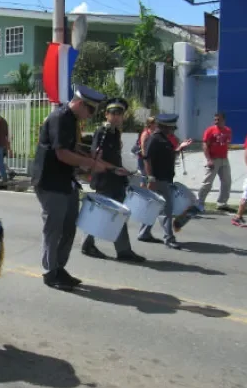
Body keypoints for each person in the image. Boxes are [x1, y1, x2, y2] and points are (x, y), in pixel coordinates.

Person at [32, 86, 115, 291]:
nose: (91, 115)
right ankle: (50, 272)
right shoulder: (60, 118)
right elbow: (62, 154)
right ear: (79, 103)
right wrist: (90, 164)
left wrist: (96, 161)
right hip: (50, 182)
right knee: (54, 228)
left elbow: (72, 148)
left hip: (65, 181)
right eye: (90, 109)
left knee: (69, 226)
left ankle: (59, 267)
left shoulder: (72, 120)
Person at [81, 98, 145, 262]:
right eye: (113, 113)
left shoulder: (115, 132)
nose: (116, 116)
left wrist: (122, 169)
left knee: (116, 215)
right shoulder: (103, 131)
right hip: (105, 179)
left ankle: (121, 250)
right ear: (106, 114)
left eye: (119, 113)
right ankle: (91, 245)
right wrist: (114, 169)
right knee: (105, 214)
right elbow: (96, 156)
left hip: (116, 179)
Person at [138, 114, 183, 249]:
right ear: (165, 127)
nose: (173, 131)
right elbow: (147, 159)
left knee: (154, 207)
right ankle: (169, 238)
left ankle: (144, 233)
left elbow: (167, 156)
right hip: (158, 179)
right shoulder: (154, 139)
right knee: (166, 209)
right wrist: (151, 178)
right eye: (172, 128)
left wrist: (179, 150)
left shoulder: (164, 139)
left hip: (164, 178)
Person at [197, 112, 233, 212]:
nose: (216, 122)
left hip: (224, 159)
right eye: (215, 120)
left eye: (218, 120)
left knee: (227, 181)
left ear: (224, 120)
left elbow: (227, 143)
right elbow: (205, 145)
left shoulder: (228, 130)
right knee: (207, 183)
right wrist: (209, 160)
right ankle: (199, 203)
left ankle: (222, 203)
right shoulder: (210, 130)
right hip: (213, 159)